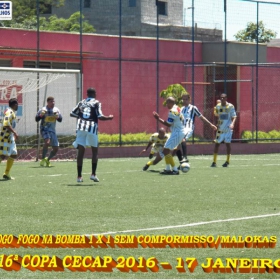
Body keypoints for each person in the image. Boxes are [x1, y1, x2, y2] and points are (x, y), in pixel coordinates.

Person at [70, 87, 113, 183]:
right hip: (92, 128)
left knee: (81, 153)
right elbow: (100, 116)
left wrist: (81, 117)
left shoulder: (81, 102)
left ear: (87, 94)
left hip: (81, 128)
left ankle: (79, 177)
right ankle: (93, 174)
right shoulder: (96, 103)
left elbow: (72, 113)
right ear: (94, 94)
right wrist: (109, 118)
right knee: (95, 151)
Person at [179, 93, 217, 163]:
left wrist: (211, 125)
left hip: (188, 128)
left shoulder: (193, 108)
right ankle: (180, 163)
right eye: (183, 99)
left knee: (182, 139)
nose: (184, 101)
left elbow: (201, 117)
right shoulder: (181, 109)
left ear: (189, 100)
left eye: (186, 99)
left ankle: (185, 157)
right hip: (181, 129)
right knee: (176, 145)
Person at [153, 97, 185, 175]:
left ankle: (175, 170)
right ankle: (168, 169)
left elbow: (168, 124)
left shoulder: (172, 111)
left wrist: (158, 118)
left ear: (171, 103)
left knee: (166, 150)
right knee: (166, 150)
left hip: (177, 133)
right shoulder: (177, 108)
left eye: (167, 102)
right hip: (178, 131)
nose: (166, 104)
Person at [211, 93, 237, 167]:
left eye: (223, 98)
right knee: (217, 144)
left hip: (228, 129)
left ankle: (227, 161)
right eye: (221, 98)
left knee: (227, 144)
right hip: (220, 129)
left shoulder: (230, 106)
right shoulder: (218, 106)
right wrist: (215, 108)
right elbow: (216, 114)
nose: (222, 99)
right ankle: (214, 162)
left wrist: (232, 124)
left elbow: (234, 116)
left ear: (226, 99)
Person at [35, 96, 62, 167]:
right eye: (51, 102)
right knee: (47, 142)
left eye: (53, 101)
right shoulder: (43, 109)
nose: (53, 103)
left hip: (52, 130)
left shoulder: (56, 110)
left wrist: (57, 117)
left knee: (56, 148)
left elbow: (60, 120)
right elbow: (36, 119)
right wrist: (41, 115)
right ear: (48, 102)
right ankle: (43, 159)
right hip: (44, 129)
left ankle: (48, 159)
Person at [0, 98, 19, 180]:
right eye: (17, 104)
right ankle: (6, 173)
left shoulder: (11, 112)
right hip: (4, 137)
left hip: (9, 137)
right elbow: (6, 124)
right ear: (14, 104)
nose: (17, 105)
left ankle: (6, 174)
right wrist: (14, 132)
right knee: (2, 155)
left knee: (14, 154)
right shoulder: (9, 112)